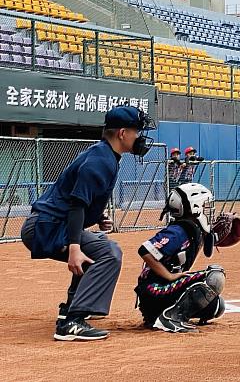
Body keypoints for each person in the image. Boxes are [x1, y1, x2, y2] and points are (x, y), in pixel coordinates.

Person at [19, 105, 156, 341]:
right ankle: (73, 321)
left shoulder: (104, 155)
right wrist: (74, 247)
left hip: (50, 224)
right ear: (123, 133)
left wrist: (97, 216)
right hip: (45, 228)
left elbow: (79, 200)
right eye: (136, 131)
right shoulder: (100, 161)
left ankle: (71, 309)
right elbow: (76, 205)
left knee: (99, 246)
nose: (140, 137)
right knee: (109, 252)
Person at [135, 183, 227, 333]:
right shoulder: (178, 231)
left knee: (216, 306)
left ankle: (162, 315)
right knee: (215, 276)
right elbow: (145, 250)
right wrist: (169, 276)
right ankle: (172, 318)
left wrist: (216, 236)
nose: (207, 209)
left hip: (160, 292)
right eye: (204, 205)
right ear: (195, 206)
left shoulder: (190, 229)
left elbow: (207, 247)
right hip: (155, 290)